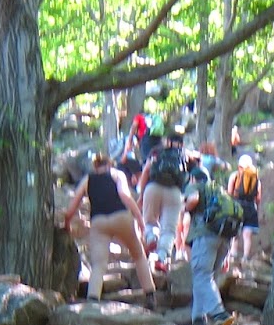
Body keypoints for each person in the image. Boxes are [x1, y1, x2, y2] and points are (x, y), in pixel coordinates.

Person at [62, 152, 156, 307]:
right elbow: (124, 195)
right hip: (121, 217)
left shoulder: (87, 179)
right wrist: (139, 218)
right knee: (138, 255)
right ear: (109, 164)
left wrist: (67, 223)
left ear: (95, 167)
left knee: (99, 264)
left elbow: (72, 207)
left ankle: (92, 300)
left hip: (98, 222)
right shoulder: (117, 174)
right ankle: (150, 295)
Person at [181, 167, 238, 325]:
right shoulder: (220, 192)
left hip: (206, 236)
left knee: (201, 275)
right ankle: (198, 320)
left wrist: (183, 207)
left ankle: (218, 313)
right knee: (204, 278)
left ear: (193, 179)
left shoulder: (196, 186)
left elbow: (192, 200)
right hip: (225, 239)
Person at [137, 127, 189, 272]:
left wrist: (141, 193)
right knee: (169, 230)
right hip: (174, 192)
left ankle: (152, 238)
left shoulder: (156, 151)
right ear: (182, 143)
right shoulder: (186, 156)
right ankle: (161, 258)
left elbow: (147, 170)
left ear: (167, 141)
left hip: (153, 187)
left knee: (150, 221)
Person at [224, 153, 261, 274]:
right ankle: (245, 256)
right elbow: (258, 197)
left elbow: (229, 193)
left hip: (237, 206)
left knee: (235, 232)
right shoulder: (256, 179)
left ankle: (233, 254)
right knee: (247, 234)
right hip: (251, 207)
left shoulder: (234, 176)